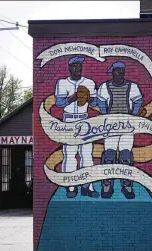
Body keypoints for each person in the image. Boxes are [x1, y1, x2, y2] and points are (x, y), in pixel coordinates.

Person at [97, 61, 147, 199]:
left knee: (125, 156)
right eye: (116, 71)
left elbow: (138, 101)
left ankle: (127, 184)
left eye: (120, 71)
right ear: (113, 72)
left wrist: (133, 114)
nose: (118, 73)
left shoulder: (132, 87)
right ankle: (107, 184)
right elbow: (100, 101)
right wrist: (104, 113)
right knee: (109, 156)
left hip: (126, 126)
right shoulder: (105, 87)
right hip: (111, 126)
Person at [55, 55, 99, 198]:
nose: (78, 68)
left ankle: (88, 186)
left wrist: (89, 98)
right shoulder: (62, 83)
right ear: (69, 68)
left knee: (87, 156)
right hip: (68, 120)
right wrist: (74, 96)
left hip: (84, 120)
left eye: (80, 66)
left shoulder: (89, 83)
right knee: (69, 155)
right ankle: (71, 187)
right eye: (75, 66)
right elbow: (59, 103)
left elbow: (95, 103)